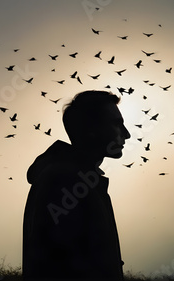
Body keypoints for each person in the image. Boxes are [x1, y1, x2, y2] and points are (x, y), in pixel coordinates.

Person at [23, 90, 131, 281]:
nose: (127, 134)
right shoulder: (66, 181)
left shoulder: (80, 179)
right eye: (116, 123)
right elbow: (60, 267)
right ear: (91, 129)